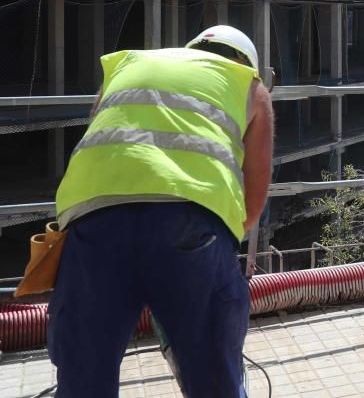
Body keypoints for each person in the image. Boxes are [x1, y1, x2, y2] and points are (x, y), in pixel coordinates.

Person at [48, 25, 274, 397]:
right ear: (248, 63)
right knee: (214, 377)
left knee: (83, 378)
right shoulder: (247, 84)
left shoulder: (129, 65)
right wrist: (216, 250)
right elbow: (253, 200)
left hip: (92, 221)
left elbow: (103, 139)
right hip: (190, 222)